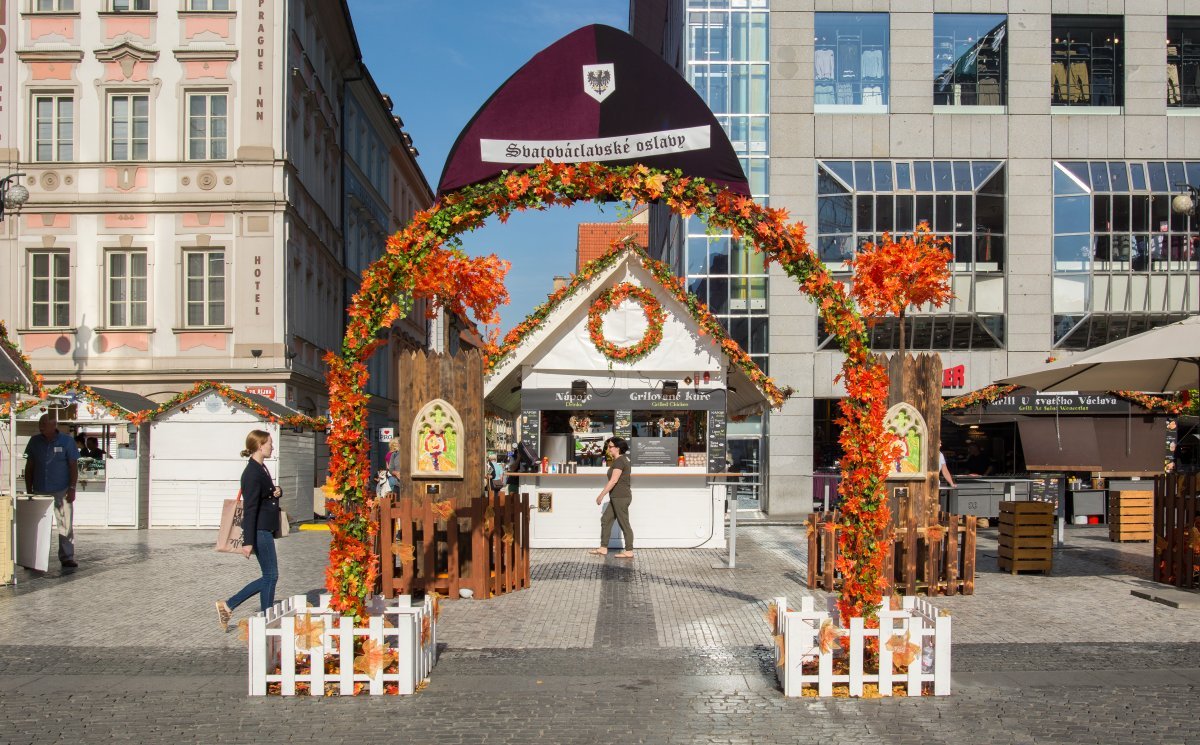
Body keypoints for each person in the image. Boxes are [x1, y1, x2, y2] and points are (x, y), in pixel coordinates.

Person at [216, 430, 282, 631]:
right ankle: (232, 606)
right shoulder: (252, 473)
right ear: (260, 445)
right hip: (259, 530)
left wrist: (277, 491)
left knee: (270, 575)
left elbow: (265, 494)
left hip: (264, 528)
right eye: (269, 443)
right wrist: (248, 542)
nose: (272, 447)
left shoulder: (261, 468)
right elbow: (250, 508)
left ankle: (261, 616)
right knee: (271, 575)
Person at [24, 413, 80, 568]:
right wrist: (29, 490)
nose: (41, 427)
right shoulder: (34, 441)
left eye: (44, 425)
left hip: (62, 490)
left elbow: (73, 466)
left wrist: (72, 488)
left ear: (54, 426)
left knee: (65, 524)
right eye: (40, 424)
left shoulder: (67, 441)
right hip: (39, 490)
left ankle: (67, 557)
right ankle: (33, 557)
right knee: (37, 525)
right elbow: (29, 466)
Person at [589, 436, 634, 559]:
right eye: (608, 446)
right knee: (606, 519)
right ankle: (603, 548)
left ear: (617, 448)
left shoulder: (620, 461)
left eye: (610, 446)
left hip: (621, 497)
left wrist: (601, 495)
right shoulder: (619, 460)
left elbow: (613, 480)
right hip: (616, 497)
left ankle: (629, 550)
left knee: (624, 523)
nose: (608, 449)